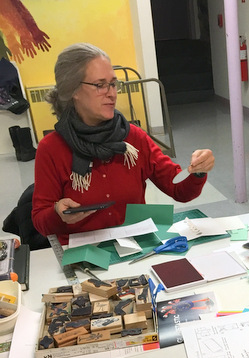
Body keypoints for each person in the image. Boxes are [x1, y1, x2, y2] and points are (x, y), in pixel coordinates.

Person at [32, 43, 214, 245]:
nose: (111, 93)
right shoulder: (52, 148)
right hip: (82, 252)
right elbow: (40, 221)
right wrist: (57, 213)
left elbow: (179, 190)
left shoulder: (133, 138)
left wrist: (197, 171)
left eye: (113, 84)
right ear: (72, 90)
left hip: (134, 248)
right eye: (100, 85)